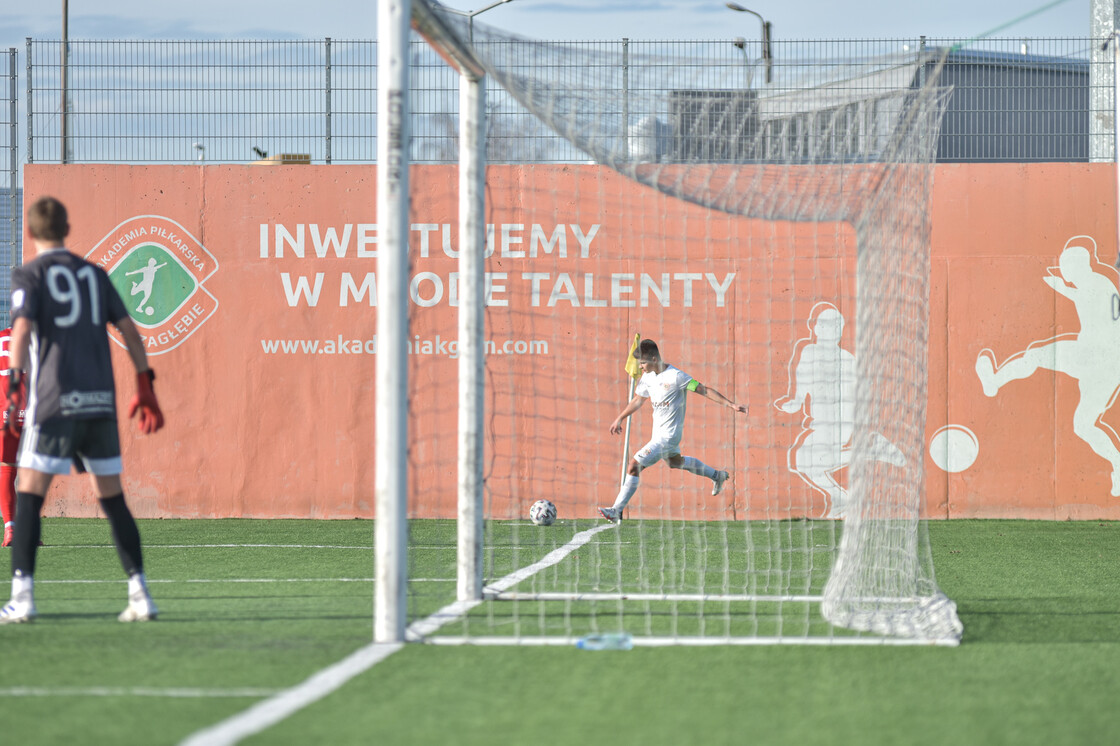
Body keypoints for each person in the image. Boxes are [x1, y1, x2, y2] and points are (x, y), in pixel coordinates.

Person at [0, 196, 165, 624]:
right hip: (99, 404)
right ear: (67, 229)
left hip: (54, 403)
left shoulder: (29, 274)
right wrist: (144, 383)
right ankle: (140, 594)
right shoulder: (95, 274)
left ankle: (23, 598)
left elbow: (20, 330)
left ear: (32, 233)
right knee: (113, 501)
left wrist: (14, 384)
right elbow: (129, 329)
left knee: (30, 498)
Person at [598, 339, 747, 523]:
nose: (641, 367)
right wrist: (620, 417)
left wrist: (731, 404)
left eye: (643, 363)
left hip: (668, 436)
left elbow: (704, 390)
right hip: (659, 435)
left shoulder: (676, 376)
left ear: (654, 358)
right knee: (675, 462)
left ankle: (616, 510)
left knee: (633, 465)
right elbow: (638, 399)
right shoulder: (647, 377)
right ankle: (717, 476)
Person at [0, 325, 23, 547]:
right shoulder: (39, 337)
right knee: (36, 471)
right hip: (35, 411)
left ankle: (10, 529)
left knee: (7, 467)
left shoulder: (1, 339)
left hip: (6, 412)